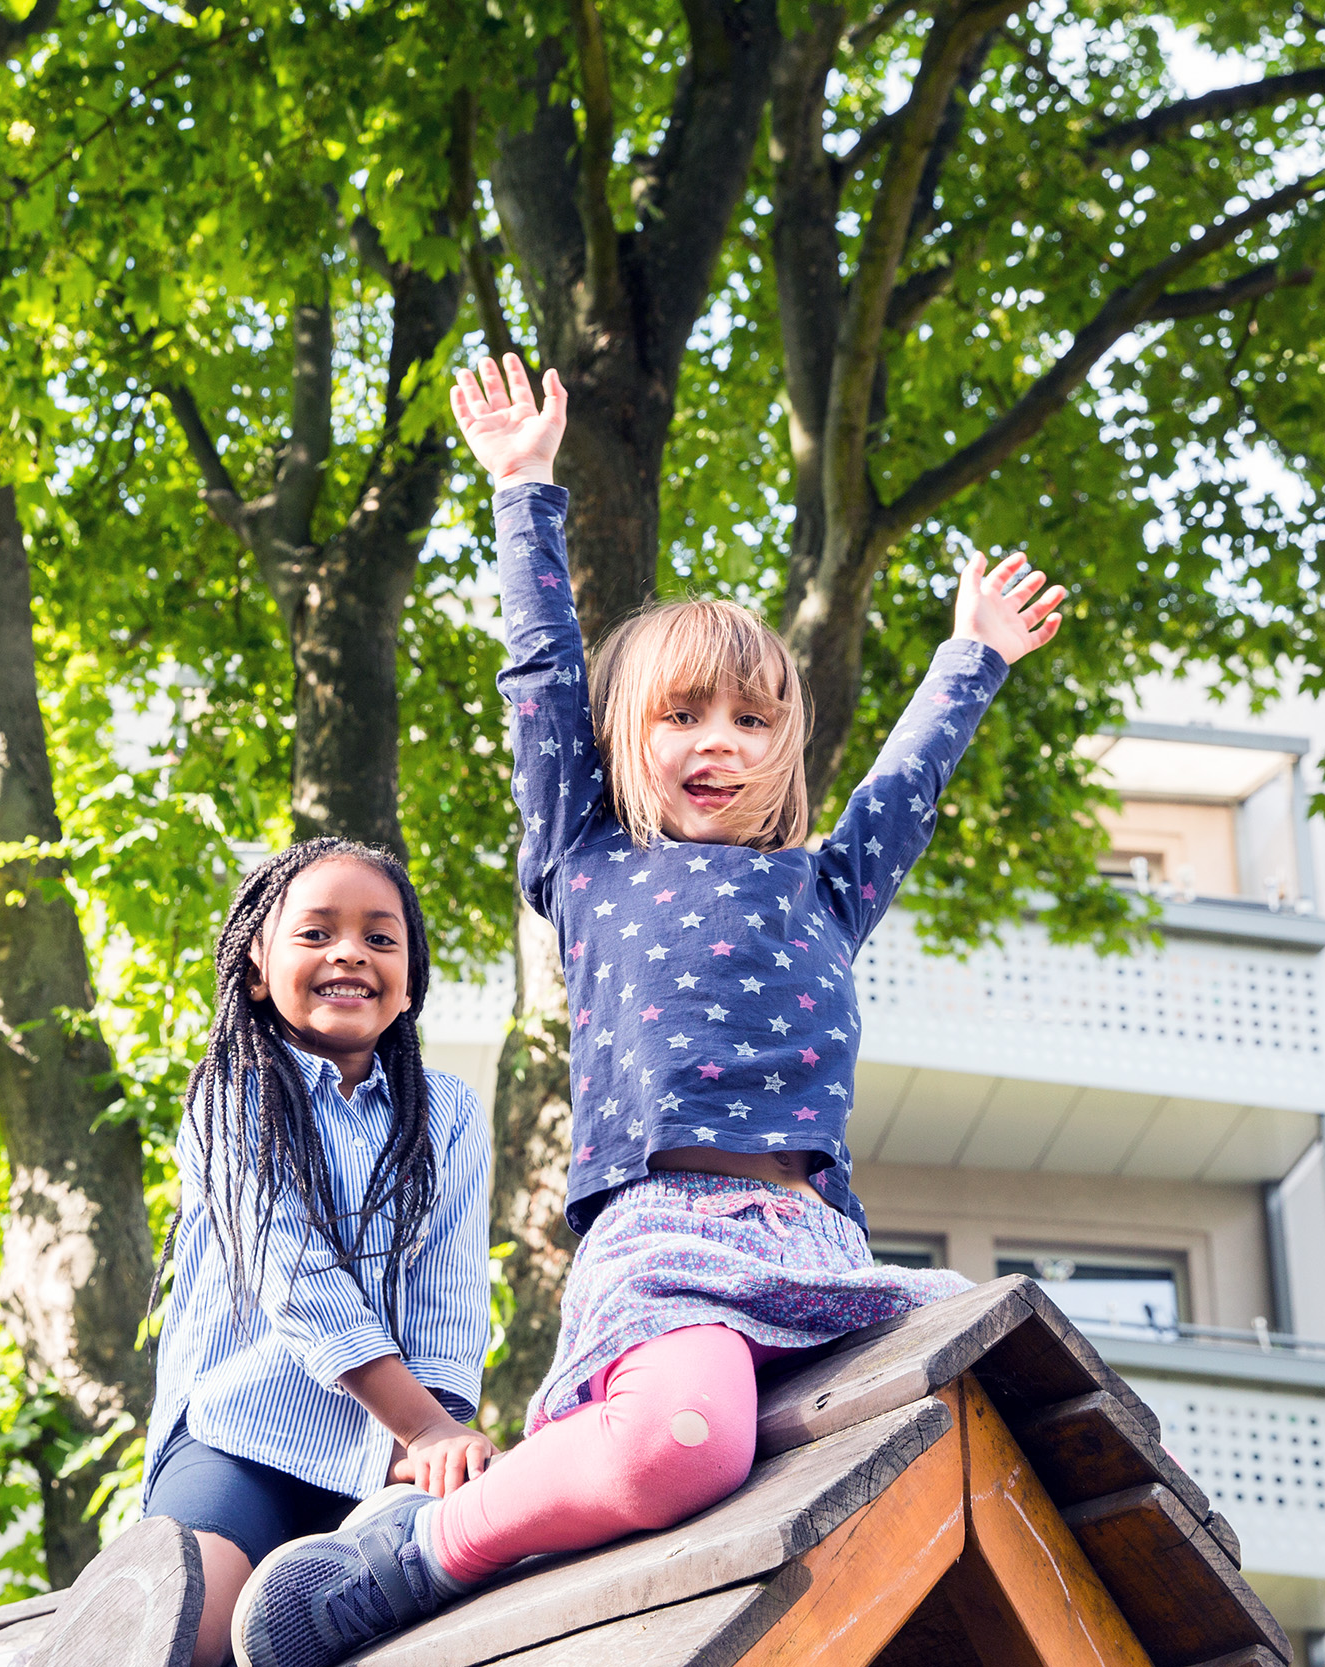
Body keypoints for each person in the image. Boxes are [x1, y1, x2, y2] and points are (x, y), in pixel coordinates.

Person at [230, 357, 1068, 1667]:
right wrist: (524, 489)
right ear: (629, 736)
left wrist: (974, 655)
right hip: (667, 1238)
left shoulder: (824, 886)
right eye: (682, 714)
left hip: (816, 1243)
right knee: (690, 1441)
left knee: (996, 1374)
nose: (718, 739)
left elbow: (907, 783)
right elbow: (542, 686)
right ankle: (417, 1549)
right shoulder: (587, 859)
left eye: (750, 716)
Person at [141, 837, 495, 1667]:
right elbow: (296, 1281)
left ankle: (375, 1545)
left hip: (385, 1458)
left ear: (409, 984)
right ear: (257, 967)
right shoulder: (233, 1095)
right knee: (190, 1635)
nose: (349, 952)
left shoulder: (446, 1113)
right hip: (241, 1440)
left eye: (380, 937)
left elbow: (450, 1302)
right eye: (316, 933)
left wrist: (439, 1438)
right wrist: (423, 1425)